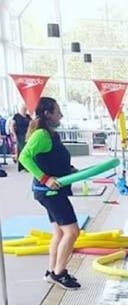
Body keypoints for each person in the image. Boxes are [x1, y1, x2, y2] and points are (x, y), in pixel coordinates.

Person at [18, 97, 80, 290]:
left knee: (59, 232)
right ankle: (59, 273)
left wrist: (68, 170)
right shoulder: (41, 135)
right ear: (47, 114)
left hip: (52, 190)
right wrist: (45, 178)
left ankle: (52, 270)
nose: (60, 115)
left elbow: (52, 158)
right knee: (72, 232)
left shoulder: (51, 134)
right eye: (57, 111)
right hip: (50, 192)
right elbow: (24, 157)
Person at [11, 105, 32, 172]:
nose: (24, 110)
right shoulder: (16, 116)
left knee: (27, 149)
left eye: (25, 109)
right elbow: (11, 126)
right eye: (23, 108)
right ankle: (25, 166)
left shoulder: (28, 116)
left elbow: (32, 124)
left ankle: (24, 166)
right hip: (20, 135)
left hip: (28, 135)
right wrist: (14, 134)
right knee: (23, 150)